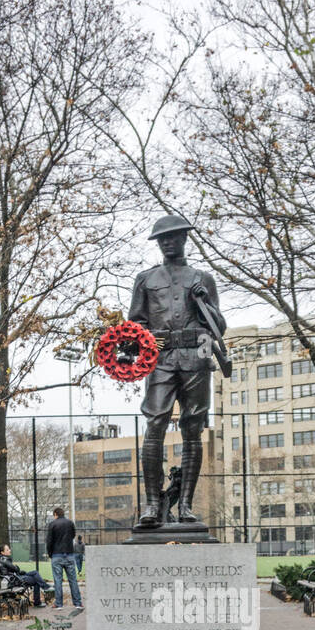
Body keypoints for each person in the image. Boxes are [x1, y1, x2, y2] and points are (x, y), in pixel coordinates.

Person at [127, 213, 226, 526]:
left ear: (184, 238)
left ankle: (185, 506)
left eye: (173, 236)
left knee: (192, 430)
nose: (168, 242)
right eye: (163, 238)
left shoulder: (202, 278)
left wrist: (204, 303)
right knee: (154, 424)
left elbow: (219, 325)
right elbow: (134, 324)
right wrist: (145, 338)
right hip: (160, 359)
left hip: (196, 358)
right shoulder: (146, 279)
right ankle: (153, 505)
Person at [46, 505, 82, 609]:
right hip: (69, 554)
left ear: (55, 514)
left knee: (58, 580)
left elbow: (49, 541)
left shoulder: (52, 524)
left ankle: (59, 604)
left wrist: (50, 554)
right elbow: (73, 535)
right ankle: (78, 603)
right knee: (73, 580)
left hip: (56, 555)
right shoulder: (70, 523)